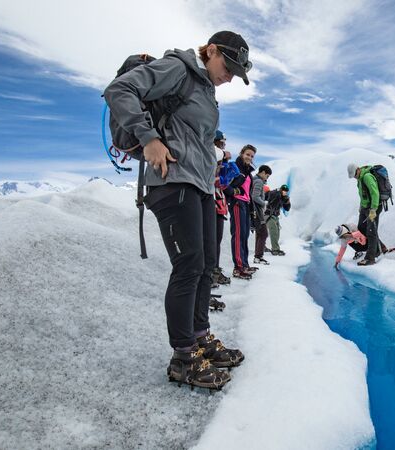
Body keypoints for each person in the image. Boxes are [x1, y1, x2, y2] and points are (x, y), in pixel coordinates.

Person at [104, 31, 252, 390]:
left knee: (203, 267)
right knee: (188, 267)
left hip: (200, 185)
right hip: (172, 182)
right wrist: (149, 138)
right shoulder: (178, 69)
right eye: (227, 66)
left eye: (236, 72)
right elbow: (119, 91)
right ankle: (184, 358)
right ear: (211, 50)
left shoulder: (206, 90)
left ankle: (200, 338)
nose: (230, 76)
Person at [348, 163, 394, 266]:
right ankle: (382, 248)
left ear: (358, 169)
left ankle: (370, 258)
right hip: (365, 208)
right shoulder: (360, 180)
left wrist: (373, 209)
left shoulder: (367, 177)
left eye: (355, 175)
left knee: (371, 231)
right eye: (353, 176)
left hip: (373, 207)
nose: (355, 177)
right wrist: (361, 206)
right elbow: (363, 195)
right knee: (362, 229)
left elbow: (375, 193)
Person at [225, 144, 257, 279]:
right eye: (247, 154)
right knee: (238, 235)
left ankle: (244, 264)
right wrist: (234, 193)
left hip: (245, 204)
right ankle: (238, 268)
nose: (249, 157)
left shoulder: (248, 171)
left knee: (244, 236)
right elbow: (225, 183)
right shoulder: (235, 167)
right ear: (242, 153)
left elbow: (249, 193)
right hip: (237, 203)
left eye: (252, 156)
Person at [212, 130, 231, 286]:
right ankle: (209, 275)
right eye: (221, 143)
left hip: (218, 204)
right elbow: (217, 181)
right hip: (210, 203)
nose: (223, 146)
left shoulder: (221, 162)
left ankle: (214, 271)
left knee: (215, 241)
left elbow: (223, 182)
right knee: (210, 241)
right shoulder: (213, 158)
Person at [251, 165, 272, 264]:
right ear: (263, 172)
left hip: (255, 211)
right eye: (267, 176)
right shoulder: (259, 181)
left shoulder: (254, 180)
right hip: (257, 212)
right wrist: (265, 203)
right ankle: (258, 257)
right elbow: (255, 197)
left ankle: (257, 257)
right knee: (263, 233)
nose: (267, 178)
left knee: (260, 233)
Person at [264, 184, 291, 255]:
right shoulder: (275, 193)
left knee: (277, 232)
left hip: (275, 216)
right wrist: (281, 197)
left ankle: (274, 248)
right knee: (274, 232)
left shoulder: (283, 197)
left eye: (286, 191)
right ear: (281, 189)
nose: (285, 192)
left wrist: (287, 201)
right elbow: (272, 199)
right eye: (284, 190)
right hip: (269, 215)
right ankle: (275, 250)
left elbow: (287, 208)